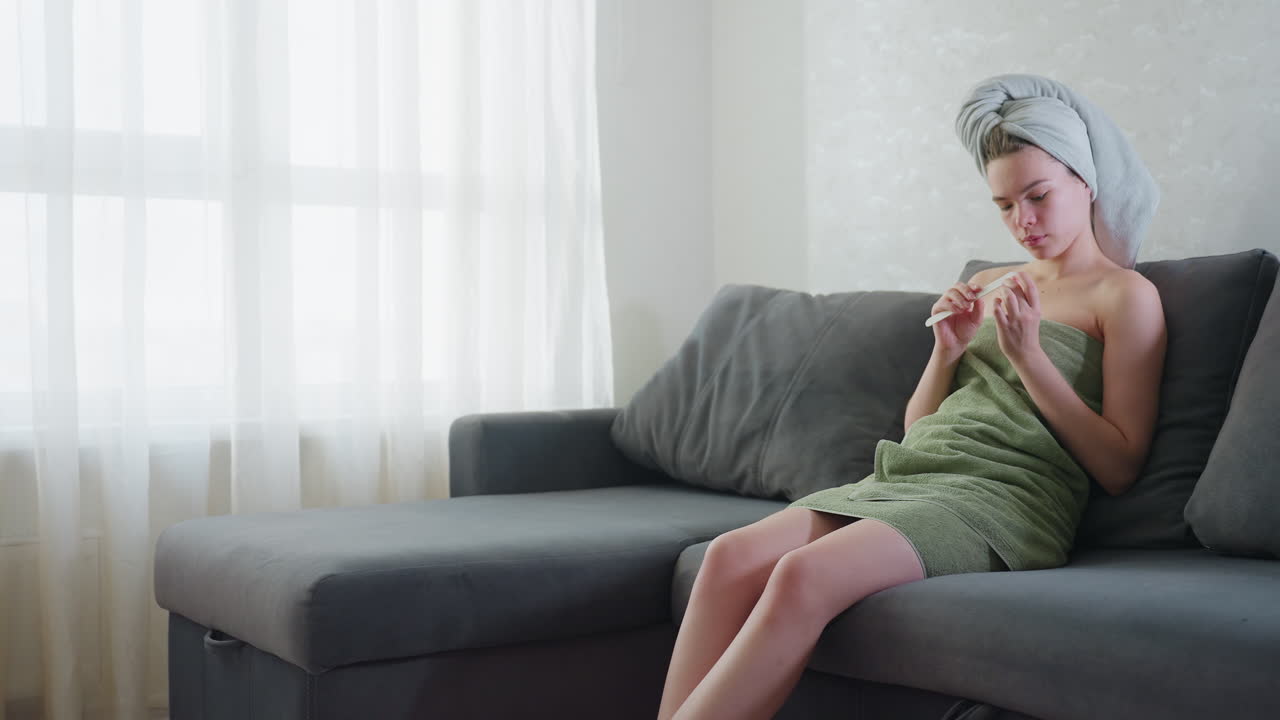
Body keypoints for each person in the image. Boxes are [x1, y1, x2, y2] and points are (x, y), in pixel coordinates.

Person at [655, 74, 1168, 720]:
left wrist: (1029, 357)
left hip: (1004, 500)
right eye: (1004, 206)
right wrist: (947, 350)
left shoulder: (1125, 297)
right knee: (727, 557)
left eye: (1037, 196)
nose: (1023, 222)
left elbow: (1120, 466)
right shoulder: (988, 283)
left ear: (1084, 182)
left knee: (800, 576)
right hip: (914, 475)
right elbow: (920, 427)